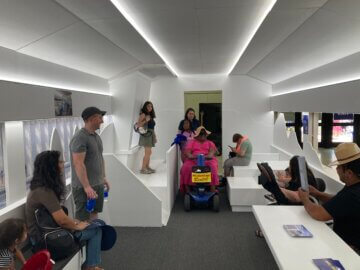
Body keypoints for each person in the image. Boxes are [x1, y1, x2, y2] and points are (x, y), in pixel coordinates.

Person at [26, 151, 103, 270]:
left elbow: (56, 218)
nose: (63, 163)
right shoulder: (44, 191)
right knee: (96, 229)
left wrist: (74, 222)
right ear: (51, 166)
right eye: (60, 161)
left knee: (97, 224)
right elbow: (62, 220)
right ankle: (91, 266)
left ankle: (90, 264)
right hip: (44, 240)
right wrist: (77, 226)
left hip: (49, 231)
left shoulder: (41, 187)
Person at [298, 142, 360, 253]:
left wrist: (304, 198)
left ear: (349, 173)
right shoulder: (353, 186)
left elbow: (319, 214)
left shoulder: (352, 194)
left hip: (349, 249)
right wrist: (318, 193)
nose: (336, 170)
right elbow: (338, 202)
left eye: (339, 167)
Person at [70, 106, 109, 221]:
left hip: (97, 183)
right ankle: (82, 239)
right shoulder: (79, 138)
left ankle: (94, 238)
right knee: (82, 218)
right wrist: (87, 186)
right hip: (83, 187)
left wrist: (103, 177)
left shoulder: (96, 137)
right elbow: (78, 163)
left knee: (94, 213)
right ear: (91, 119)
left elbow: (100, 158)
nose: (102, 121)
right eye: (100, 118)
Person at [180, 126, 219, 193]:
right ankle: (188, 190)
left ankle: (212, 188)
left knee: (213, 167)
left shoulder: (210, 143)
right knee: (186, 167)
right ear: (197, 135)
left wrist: (205, 157)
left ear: (206, 135)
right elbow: (188, 154)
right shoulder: (192, 142)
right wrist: (194, 156)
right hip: (193, 160)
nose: (202, 135)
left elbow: (211, 154)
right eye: (201, 134)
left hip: (208, 160)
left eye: (204, 134)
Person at [137, 101, 157, 174]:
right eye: (148, 106)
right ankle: (143, 169)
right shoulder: (143, 114)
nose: (150, 108)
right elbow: (138, 125)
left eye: (151, 106)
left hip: (150, 134)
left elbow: (152, 127)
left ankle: (147, 167)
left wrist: (154, 136)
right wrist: (145, 120)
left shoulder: (149, 115)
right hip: (146, 135)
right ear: (145, 107)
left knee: (149, 152)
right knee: (147, 152)